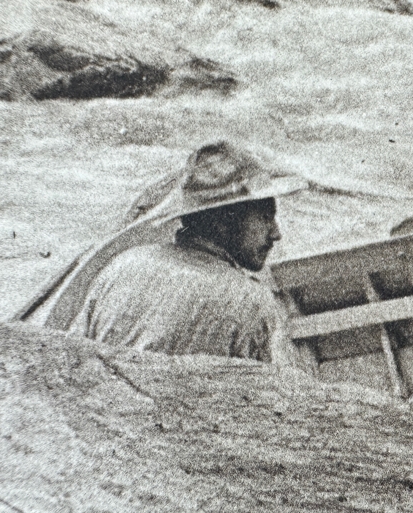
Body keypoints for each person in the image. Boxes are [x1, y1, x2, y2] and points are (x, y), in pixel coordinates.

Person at [67, 141, 308, 365]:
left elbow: (69, 358)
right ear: (223, 221)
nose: (276, 234)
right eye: (265, 218)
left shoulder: (120, 266)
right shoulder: (254, 302)